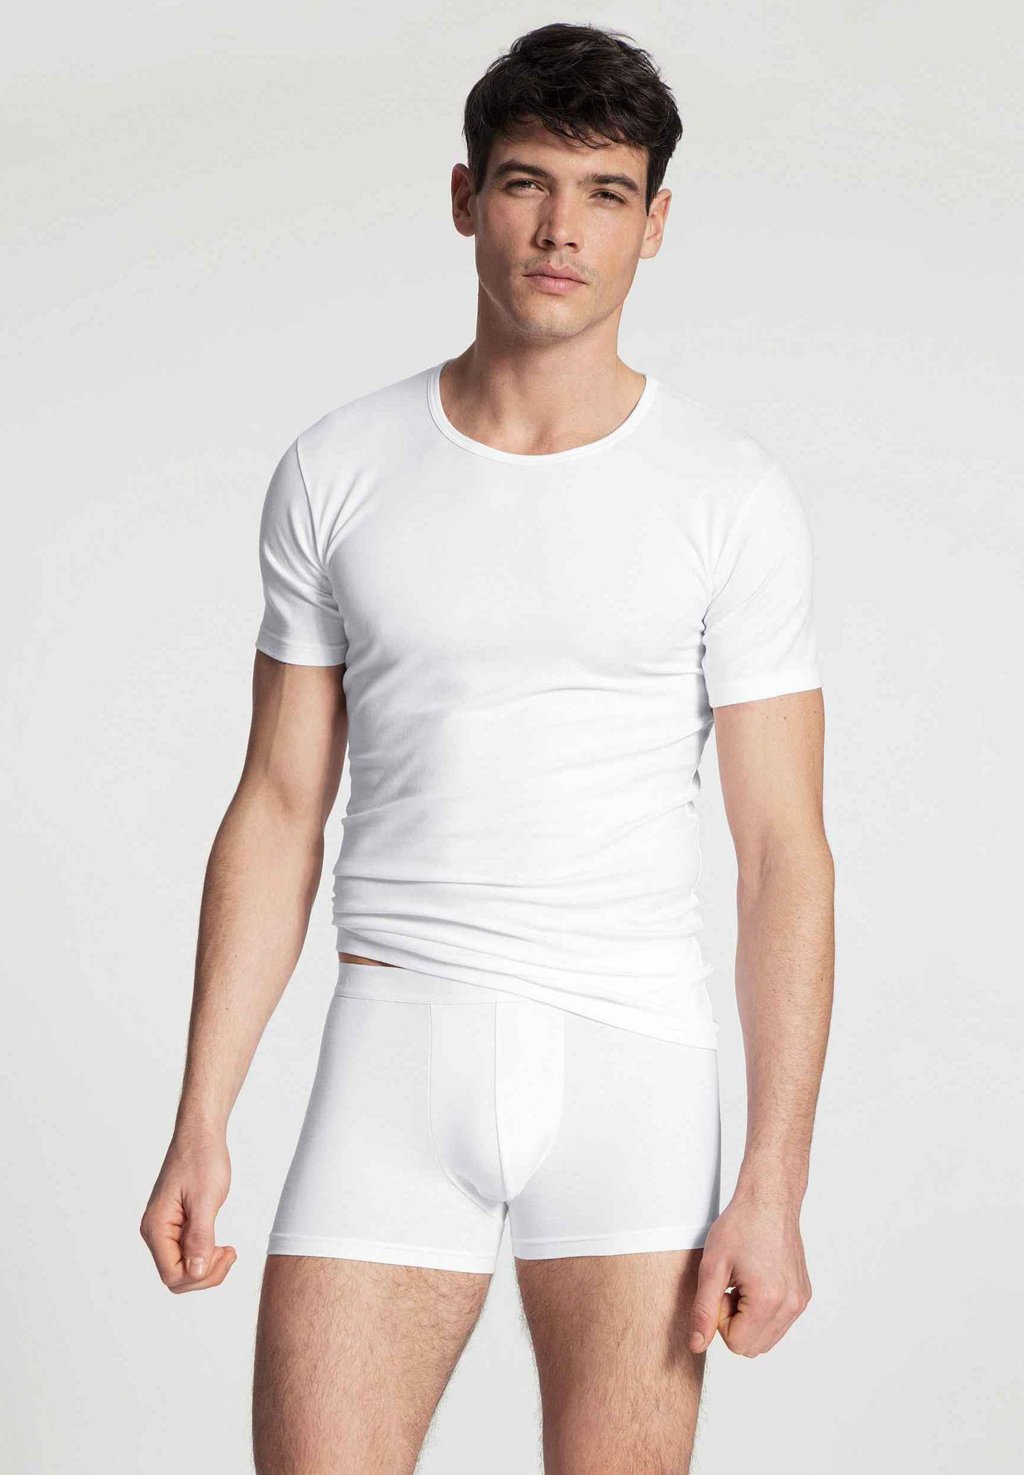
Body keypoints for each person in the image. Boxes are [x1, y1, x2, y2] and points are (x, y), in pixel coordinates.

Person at [140, 21, 834, 1473]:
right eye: (528, 183)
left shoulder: (727, 493)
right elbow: (279, 807)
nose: (561, 228)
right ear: (466, 198)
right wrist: (202, 1114)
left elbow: (782, 852)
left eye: (605, 192)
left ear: (655, 223)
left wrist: (773, 1181)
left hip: (633, 1066)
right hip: (397, 1044)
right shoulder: (340, 468)